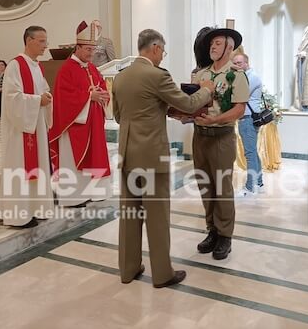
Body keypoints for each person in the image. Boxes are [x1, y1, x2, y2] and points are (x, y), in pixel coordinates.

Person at [113, 29, 214, 288]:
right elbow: (189, 104)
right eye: (163, 51)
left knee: (129, 215)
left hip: (127, 154)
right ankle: (162, 273)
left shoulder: (121, 78)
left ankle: (128, 268)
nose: (162, 56)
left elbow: (118, 116)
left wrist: (157, 109)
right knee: (157, 216)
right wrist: (206, 89)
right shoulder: (157, 75)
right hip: (151, 156)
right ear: (156, 48)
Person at [192, 27, 249, 260]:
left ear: (229, 46)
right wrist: (183, 113)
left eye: (217, 43)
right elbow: (193, 102)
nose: (212, 47)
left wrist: (215, 119)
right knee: (205, 186)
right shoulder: (200, 75)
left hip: (221, 137)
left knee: (222, 188)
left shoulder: (236, 75)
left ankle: (225, 235)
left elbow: (239, 108)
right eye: (211, 44)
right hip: (200, 136)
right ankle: (212, 231)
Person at [49, 20, 112, 207]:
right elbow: (63, 97)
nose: (91, 54)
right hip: (74, 124)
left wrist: (101, 96)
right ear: (77, 47)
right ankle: (73, 196)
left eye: (93, 50)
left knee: (96, 156)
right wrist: (88, 96)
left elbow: (102, 87)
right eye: (88, 50)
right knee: (73, 159)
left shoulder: (91, 67)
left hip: (93, 122)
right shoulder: (66, 69)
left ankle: (94, 191)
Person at [0, 26, 53, 228]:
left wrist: (46, 97)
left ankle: (36, 208)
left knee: (37, 167)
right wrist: (38, 100)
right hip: (20, 129)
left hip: (35, 125)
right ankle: (19, 215)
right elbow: (12, 99)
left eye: (46, 41)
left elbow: (43, 89)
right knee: (20, 169)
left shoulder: (37, 66)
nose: (46, 45)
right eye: (41, 41)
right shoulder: (15, 65)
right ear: (29, 41)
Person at [232, 53, 264, 196]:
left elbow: (239, 93)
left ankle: (250, 188)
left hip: (248, 118)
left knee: (250, 154)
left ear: (246, 63)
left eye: (239, 63)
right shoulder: (246, 76)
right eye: (235, 63)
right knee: (253, 152)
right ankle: (259, 183)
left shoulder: (251, 77)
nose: (236, 65)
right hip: (248, 118)